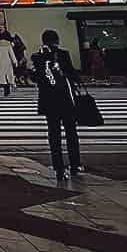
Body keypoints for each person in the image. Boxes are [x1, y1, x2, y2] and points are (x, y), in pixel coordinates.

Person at [32, 29, 83, 180]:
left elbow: (36, 78)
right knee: (71, 132)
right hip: (66, 99)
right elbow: (73, 75)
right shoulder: (63, 55)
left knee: (54, 134)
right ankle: (75, 165)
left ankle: (59, 168)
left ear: (43, 41)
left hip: (49, 101)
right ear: (57, 40)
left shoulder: (37, 57)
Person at [0, 31, 18, 96]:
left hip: (0, 61)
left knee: (3, 77)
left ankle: (5, 90)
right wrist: (15, 62)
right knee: (8, 75)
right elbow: (12, 54)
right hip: (8, 61)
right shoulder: (8, 44)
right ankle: (8, 88)